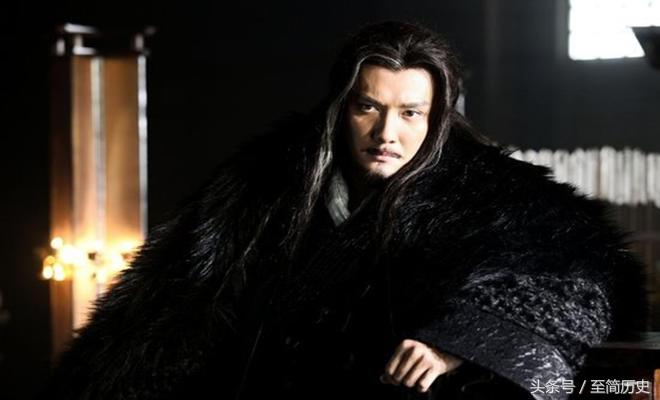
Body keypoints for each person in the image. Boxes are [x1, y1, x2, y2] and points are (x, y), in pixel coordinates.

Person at [40, 20, 647, 400]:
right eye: (368, 107)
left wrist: (457, 340)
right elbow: (171, 306)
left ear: (437, 119)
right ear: (341, 108)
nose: (387, 133)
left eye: (410, 113)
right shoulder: (263, 184)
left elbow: (585, 279)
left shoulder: (497, 194)